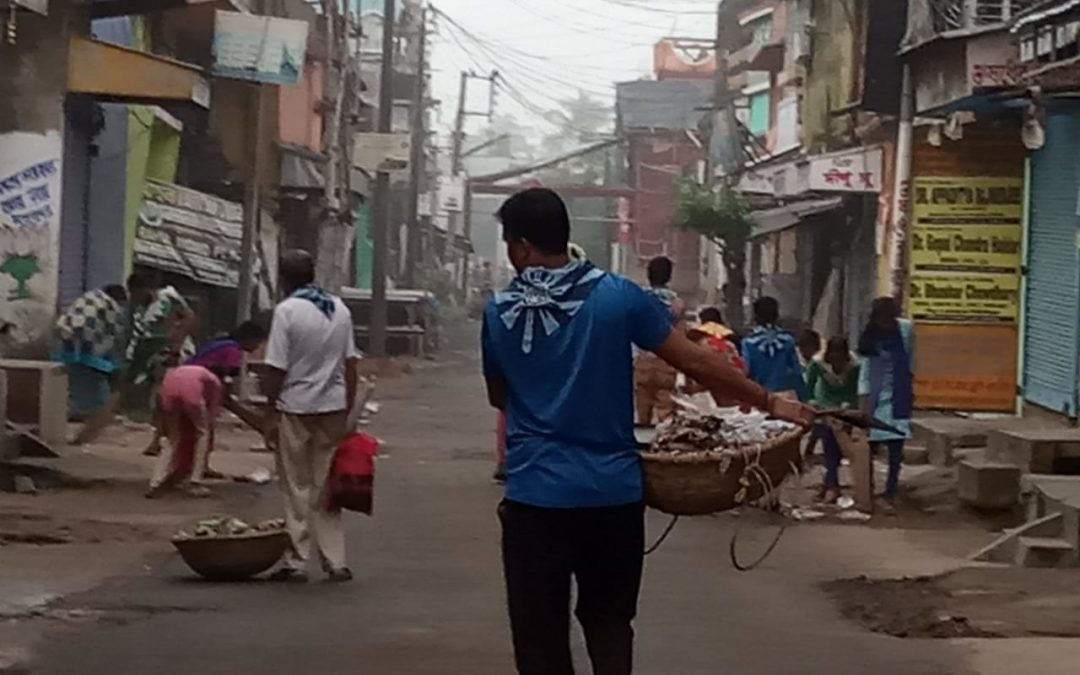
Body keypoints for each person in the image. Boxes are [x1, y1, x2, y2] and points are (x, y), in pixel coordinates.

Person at [482, 188, 814, 675]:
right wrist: (769, 401)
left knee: (540, 639)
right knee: (609, 624)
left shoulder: (499, 311)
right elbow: (694, 361)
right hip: (612, 494)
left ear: (522, 246)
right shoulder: (618, 296)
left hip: (535, 497)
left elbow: (500, 397)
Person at [262, 249, 360, 583]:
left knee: (296, 485)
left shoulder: (287, 311)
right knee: (327, 484)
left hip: (296, 406)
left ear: (283, 279)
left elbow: (276, 367)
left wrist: (269, 410)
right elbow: (351, 364)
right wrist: (348, 408)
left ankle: (297, 560)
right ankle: (336, 560)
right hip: (332, 406)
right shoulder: (339, 309)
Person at [146, 322, 266, 498]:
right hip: (195, 387)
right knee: (203, 433)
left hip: (171, 380)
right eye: (258, 343)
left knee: (173, 438)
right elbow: (225, 388)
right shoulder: (233, 351)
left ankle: (156, 480)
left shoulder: (217, 344)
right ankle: (195, 480)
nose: (257, 348)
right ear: (249, 338)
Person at [124, 273, 197, 456]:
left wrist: (175, 349)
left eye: (135, 292)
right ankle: (161, 439)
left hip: (174, 354)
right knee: (160, 399)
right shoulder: (142, 309)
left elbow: (189, 318)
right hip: (157, 356)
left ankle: (165, 440)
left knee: (167, 398)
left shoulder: (167, 298)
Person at [858, 297, 915, 507]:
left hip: (898, 395)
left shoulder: (906, 330)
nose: (885, 323)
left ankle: (891, 490)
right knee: (868, 448)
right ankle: (868, 489)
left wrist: (909, 386)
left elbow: (911, 359)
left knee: (896, 448)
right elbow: (865, 373)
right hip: (875, 397)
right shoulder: (870, 338)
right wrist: (863, 405)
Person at [53, 285, 129, 421]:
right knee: (94, 388)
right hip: (87, 352)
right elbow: (114, 334)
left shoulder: (86, 299)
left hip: (64, 347)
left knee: (74, 385)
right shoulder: (110, 305)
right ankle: (92, 414)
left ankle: (73, 412)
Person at [805, 336, 860, 503]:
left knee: (838, 448)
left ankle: (829, 483)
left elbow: (855, 389)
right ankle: (832, 485)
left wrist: (848, 406)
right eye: (833, 359)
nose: (837, 364)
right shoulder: (817, 363)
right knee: (829, 444)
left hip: (845, 407)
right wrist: (812, 403)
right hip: (825, 405)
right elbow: (808, 386)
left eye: (840, 359)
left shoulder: (855, 366)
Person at [633, 256, 684, 425]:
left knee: (642, 411)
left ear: (648, 275)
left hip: (642, 361)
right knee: (666, 412)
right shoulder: (676, 304)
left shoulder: (639, 300)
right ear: (669, 276)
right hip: (666, 361)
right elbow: (681, 337)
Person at [741, 296, 807, 400]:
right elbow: (796, 373)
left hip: (758, 398)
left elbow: (746, 373)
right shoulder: (787, 340)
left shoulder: (748, 343)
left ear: (755, 316)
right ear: (776, 315)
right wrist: (804, 397)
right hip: (785, 398)